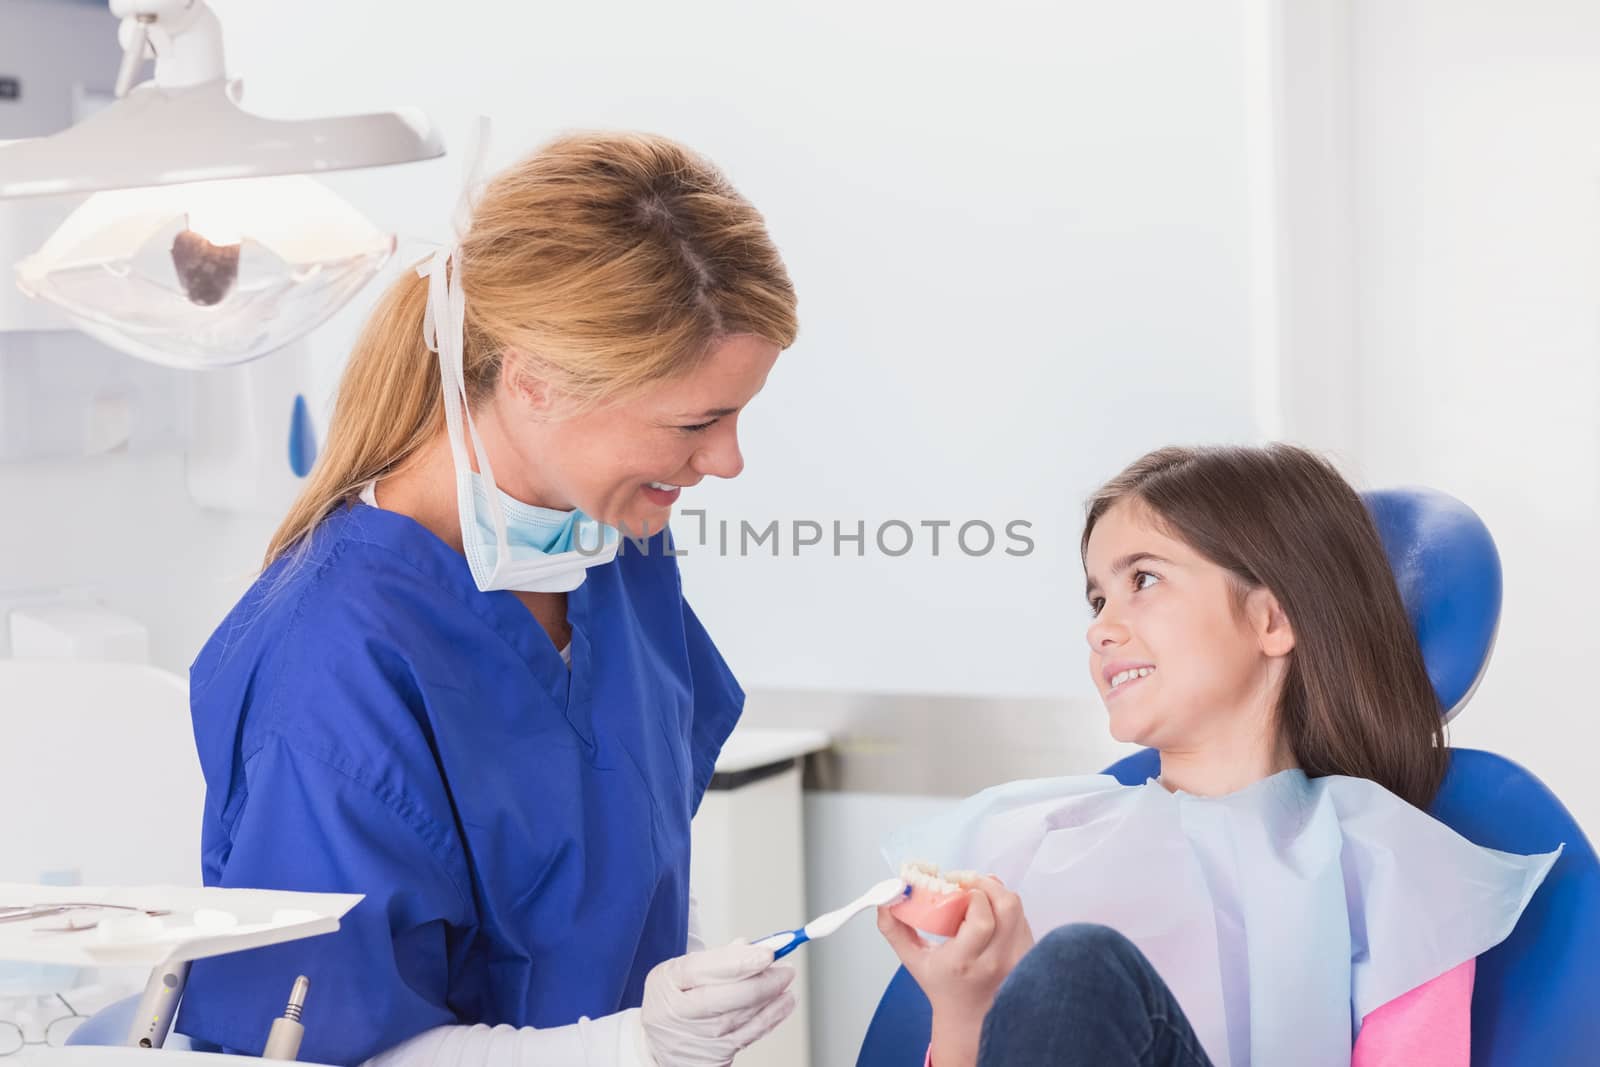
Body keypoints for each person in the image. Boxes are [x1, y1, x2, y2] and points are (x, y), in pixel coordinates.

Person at [173, 130, 801, 1067]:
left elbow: (631, 852)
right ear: (534, 384)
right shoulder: (334, 656)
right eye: (697, 421)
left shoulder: (612, 551)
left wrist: (691, 989)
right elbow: (323, 1049)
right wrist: (633, 1046)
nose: (728, 459)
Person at [876, 445, 1560, 1067]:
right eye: (1096, 597)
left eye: (1142, 580)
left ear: (1272, 620)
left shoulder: (1392, 869)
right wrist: (963, 1011)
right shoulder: (1036, 841)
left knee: (1076, 967)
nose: (1100, 628)